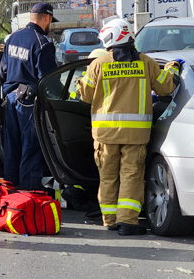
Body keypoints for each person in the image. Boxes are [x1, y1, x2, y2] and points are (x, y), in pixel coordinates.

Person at [75, 18, 180, 236]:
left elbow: (83, 95)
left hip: (105, 135)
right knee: (131, 175)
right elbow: (166, 87)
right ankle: (127, 222)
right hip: (136, 135)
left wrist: (80, 80)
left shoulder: (99, 64)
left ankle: (110, 220)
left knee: (108, 176)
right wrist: (173, 69)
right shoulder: (146, 63)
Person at [0, 2, 58, 190]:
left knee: (12, 149)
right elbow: (49, 80)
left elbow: (3, 72)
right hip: (29, 104)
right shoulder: (42, 43)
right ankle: (28, 194)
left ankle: (10, 194)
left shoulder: (12, 39)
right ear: (47, 18)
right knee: (31, 150)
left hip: (10, 100)